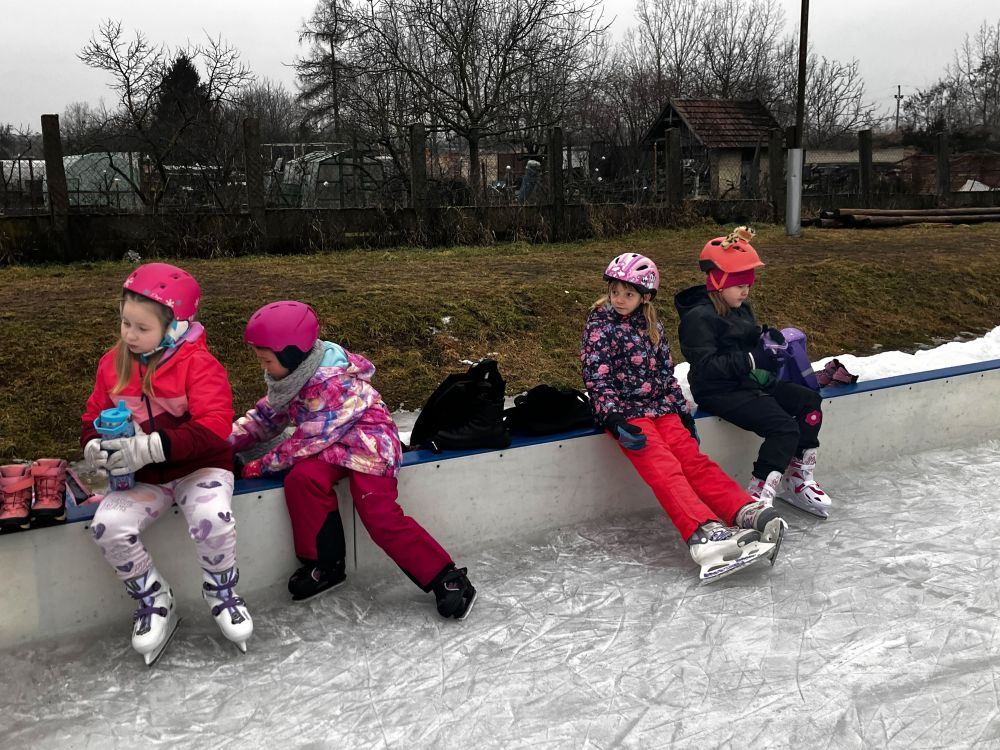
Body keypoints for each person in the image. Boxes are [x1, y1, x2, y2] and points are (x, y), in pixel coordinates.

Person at [230, 300, 477, 620]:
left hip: (371, 445)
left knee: (377, 512)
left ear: (291, 355)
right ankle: (325, 564)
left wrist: (253, 468)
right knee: (303, 479)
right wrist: (221, 441)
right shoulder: (292, 377)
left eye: (266, 360)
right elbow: (267, 418)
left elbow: (300, 445)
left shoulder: (331, 384)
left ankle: (446, 576)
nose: (263, 367)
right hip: (334, 444)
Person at [81, 263, 252, 666]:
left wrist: (152, 447)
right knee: (108, 525)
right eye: (125, 323)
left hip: (199, 468)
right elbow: (93, 416)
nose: (129, 335)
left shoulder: (199, 364)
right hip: (144, 479)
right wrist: (93, 445)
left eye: (142, 328)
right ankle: (154, 597)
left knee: (213, 517)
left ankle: (221, 591)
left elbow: (215, 425)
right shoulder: (112, 364)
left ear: (175, 328)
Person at [580, 253, 786, 582]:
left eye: (628, 294)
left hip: (662, 408)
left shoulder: (653, 325)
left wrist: (682, 412)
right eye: (614, 291)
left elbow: (666, 375)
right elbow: (597, 378)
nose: (619, 299)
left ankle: (741, 508)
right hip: (626, 413)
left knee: (694, 461)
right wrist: (614, 420)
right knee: (665, 469)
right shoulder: (600, 326)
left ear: (645, 297)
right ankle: (703, 533)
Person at [674, 226, 832, 518]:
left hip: (748, 383)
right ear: (718, 281)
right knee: (784, 428)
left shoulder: (740, 308)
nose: (745, 290)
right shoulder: (698, 318)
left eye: (748, 283)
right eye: (738, 284)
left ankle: (797, 478)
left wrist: (766, 344)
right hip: (718, 390)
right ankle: (756, 495)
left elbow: (747, 344)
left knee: (809, 402)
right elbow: (707, 367)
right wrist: (750, 359)